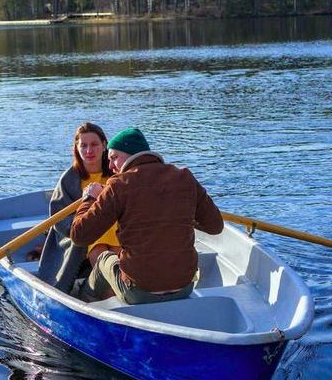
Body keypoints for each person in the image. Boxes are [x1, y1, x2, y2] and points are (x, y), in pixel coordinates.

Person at [70, 127, 224, 304]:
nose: (111, 166)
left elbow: (79, 235)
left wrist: (89, 199)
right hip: (184, 287)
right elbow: (215, 226)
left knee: (104, 258)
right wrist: (180, 213)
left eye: (113, 158)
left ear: (130, 155)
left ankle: (85, 299)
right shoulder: (185, 177)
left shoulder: (118, 185)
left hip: (139, 292)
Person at [36, 121, 121, 291]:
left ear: (104, 145)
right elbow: (60, 220)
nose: (89, 151)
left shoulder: (116, 172)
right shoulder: (69, 179)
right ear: (77, 147)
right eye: (84, 145)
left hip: (119, 230)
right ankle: (112, 291)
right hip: (85, 232)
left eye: (94, 144)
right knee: (100, 246)